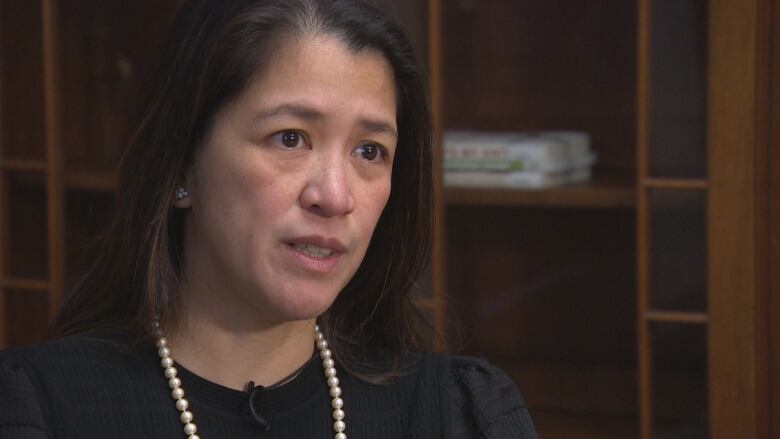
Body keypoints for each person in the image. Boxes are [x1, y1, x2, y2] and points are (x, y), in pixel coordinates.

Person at [0, 1, 538, 438]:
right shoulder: (40, 408)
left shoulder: (461, 413)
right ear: (181, 165)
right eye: (290, 139)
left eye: (370, 151)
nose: (334, 196)